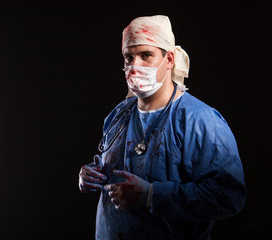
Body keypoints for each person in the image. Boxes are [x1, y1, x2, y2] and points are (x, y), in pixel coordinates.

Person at [79, 15, 246, 240]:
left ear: (169, 59)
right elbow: (118, 165)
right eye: (129, 57)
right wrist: (92, 174)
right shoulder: (119, 114)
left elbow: (228, 196)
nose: (134, 65)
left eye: (146, 55)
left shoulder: (201, 121)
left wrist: (151, 196)